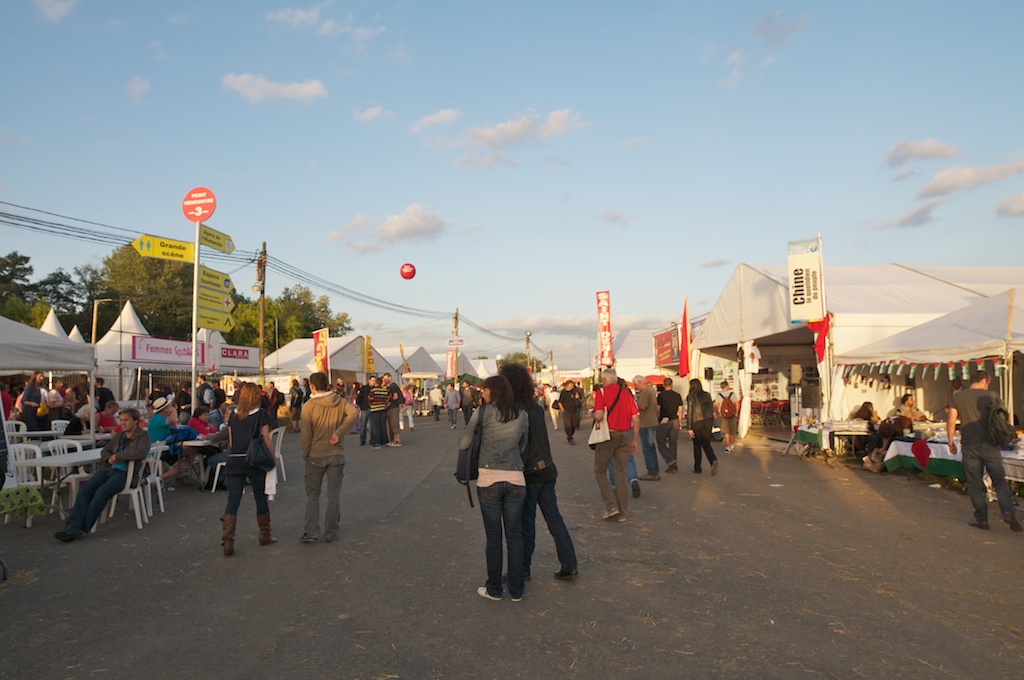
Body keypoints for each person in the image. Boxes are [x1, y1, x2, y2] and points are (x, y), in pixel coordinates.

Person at [502, 362, 578, 581]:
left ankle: (523, 568)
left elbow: (520, 445)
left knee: (526, 523)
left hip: (530, 472)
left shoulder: (515, 411)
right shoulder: (535, 407)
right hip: (547, 469)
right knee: (554, 519)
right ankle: (569, 563)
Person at [460, 375, 528, 602]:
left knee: (494, 538)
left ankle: (495, 589)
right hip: (516, 478)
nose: (482, 393)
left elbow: (464, 443)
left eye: (485, 390)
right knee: (515, 537)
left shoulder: (483, 413)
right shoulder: (522, 414)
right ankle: (517, 590)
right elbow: (523, 444)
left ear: (494, 391)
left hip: (488, 478)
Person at [55, 408, 150, 541]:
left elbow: (141, 453)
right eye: (121, 420)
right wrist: (108, 458)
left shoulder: (142, 436)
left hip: (127, 474)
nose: (123, 423)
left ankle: (82, 528)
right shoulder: (119, 436)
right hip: (110, 470)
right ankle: (72, 526)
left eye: (126, 420)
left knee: (101, 493)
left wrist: (118, 456)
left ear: (135, 421)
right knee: (85, 489)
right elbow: (105, 450)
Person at [947, 371, 1022, 532]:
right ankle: (1008, 512)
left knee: (974, 483)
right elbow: (1002, 420)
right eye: (987, 382)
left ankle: (982, 520)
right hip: (990, 444)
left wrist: (951, 442)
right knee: (999, 480)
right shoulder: (993, 396)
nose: (988, 386)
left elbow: (951, 421)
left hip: (969, 445)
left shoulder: (958, 397)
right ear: (982, 380)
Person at [300, 371, 359, 543]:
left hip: (315, 454)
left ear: (311, 386)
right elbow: (354, 413)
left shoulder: (309, 406)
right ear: (327, 384)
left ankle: (311, 531)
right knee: (333, 494)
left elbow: (305, 435)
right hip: (336, 453)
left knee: (312, 494)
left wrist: (305, 454)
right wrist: (340, 432)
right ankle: (331, 532)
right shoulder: (339, 401)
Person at [222, 382, 278, 556]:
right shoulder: (261, 414)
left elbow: (231, 441)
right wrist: (273, 456)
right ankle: (264, 534)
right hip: (253, 459)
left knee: (233, 499)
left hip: (234, 459)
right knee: (260, 497)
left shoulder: (233, 415)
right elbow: (266, 437)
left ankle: (228, 541)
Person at [592, 368, 640, 522]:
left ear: (605, 380)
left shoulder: (602, 393)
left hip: (608, 435)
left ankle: (611, 506)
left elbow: (599, 415)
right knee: (621, 472)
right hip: (625, 434)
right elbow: (636, 418)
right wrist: (635, 439)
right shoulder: (626, 393)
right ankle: (622, 512)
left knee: (600, 470)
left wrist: (594, 414)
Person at [686, 379, 718, 475]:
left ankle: (698, 468)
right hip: (707, 421)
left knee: (697, 445)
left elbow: (690, 412)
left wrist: (689, 427)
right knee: (706, 443)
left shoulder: (691, 396)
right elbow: (711, 409)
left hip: (697, 422)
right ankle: (713, 460)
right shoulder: (707, 395)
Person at [634, 376, 661, 481]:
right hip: (652, 421)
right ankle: (655, 470)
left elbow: (643, 406)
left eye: (636, 384)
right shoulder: (651, 390)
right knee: (651, 447)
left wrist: (635, 404)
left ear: (640, 382)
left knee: (647, 448)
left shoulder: (645, 392)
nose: (636, 387)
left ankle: (652, 471)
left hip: (646, 423)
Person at [656, 378, 683, 473]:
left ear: (664, 385)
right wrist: (680, 421)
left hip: (664, 421)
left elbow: (658, 409)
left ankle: (671, 461)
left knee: (661, 443)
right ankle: (673, 465)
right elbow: (680, 409)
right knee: (673, 443)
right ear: (672, 384)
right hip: (674, 420)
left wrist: (657, 419)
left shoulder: (660, 396)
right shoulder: (677, 395)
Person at [715, 380, 740, 453]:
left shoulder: (719, 395)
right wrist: (736, 413)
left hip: (723, 416)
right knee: (732, 430)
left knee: (726, 431)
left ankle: (728, 446)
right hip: (732, 414)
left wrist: (717, 414)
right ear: (727, 386)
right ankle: (732, 444)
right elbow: (737, 404)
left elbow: (716, 405)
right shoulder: (733, 394)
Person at [558, 380, 584, 445]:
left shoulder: (575, 391)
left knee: (574, 424)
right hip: (567, 411)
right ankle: (570, 438)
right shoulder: (563, 392)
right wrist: (563, 410)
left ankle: (571, 435)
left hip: (575, 410)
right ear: (567, 385)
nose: (572, 386)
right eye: (570, 385)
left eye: (572, 385)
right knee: (568, 425)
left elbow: (581, 399)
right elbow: (560, 402)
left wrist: (578, 398)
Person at [368, 376, 389, 449]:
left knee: (375, 426)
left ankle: (377, 442)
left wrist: (371, 404)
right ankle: (384, 441)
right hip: (383, 409)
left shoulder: (373, 391)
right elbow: (387, 399)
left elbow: (370, 399)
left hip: (374, 409)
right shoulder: (385, 390)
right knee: (383, 425)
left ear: (376, 383)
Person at [383, 373, 402, 446]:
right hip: (393, 407)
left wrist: (388, 402)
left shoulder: (392, 386)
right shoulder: (393, 386)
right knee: (392, 423)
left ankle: (397, 440)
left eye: (386, 378)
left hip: (393, 407)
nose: (385, 380)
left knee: (394, 423)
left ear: (390, 378)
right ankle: (395, 439)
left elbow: (395, 396)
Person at [356, 376, 374, 445]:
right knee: (363, 425)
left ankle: (372, 439)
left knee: (373, 425)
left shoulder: (374, 388)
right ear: (369, 381)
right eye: (372, 380)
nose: (373, 382)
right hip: (364, 408)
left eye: (374, 381)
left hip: (372, 408)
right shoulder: (363, 388)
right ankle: (362, 440)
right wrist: (360, 405)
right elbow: (359, 397)